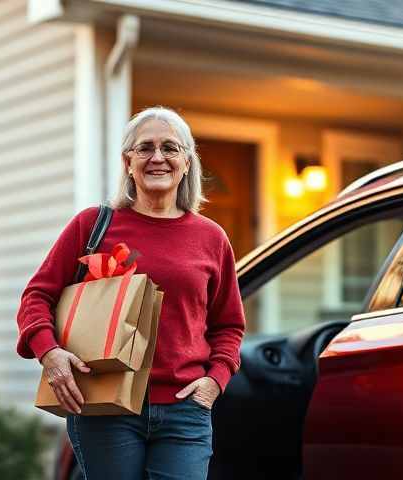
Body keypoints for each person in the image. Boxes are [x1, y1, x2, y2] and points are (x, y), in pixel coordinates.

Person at [16, 106, 246, 479]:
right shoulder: (93, 225)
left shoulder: (211, 238)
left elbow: (229, 325)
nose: (158, 157)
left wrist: (215, 379)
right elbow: (36, 298)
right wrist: (50, 353)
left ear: (187, 162)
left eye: (170, 148)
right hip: (105, 405)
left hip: (184, 409)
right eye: (145, 148)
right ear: (128, 162)